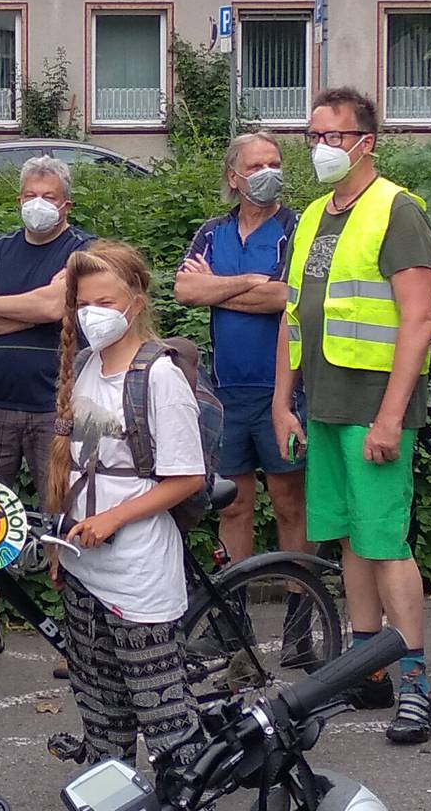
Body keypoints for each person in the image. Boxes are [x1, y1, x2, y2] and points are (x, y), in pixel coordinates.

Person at [275, 87, 431, 745]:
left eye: (334, 137)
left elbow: (419, 319)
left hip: (375, 407)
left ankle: (418, 683)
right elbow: (296, 314)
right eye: (312, 137)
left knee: (385, 544)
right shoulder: (317, 213)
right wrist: (282, 401)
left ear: (366, 142)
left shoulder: (397, 210)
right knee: (348, 538)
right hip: (324, 402)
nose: (320, 149)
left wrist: (389, 416)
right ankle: (367, 670)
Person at [49, 241, 209, 794]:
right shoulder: (89, 365)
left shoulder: (159, 376)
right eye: (83, 301)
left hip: (138, 570)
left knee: (161, 709)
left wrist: (114, 519)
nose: (92, 312)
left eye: (105, 300)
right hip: (83, 564)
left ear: (135, 303)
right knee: (100, 708)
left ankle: (188, 794)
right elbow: (86, 463)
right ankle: (110, 794)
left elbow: (187, 477)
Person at [0, 154, 98, 653]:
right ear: (18, 201)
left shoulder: (83, 252)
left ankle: (80, 637)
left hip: (55, 408)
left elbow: (56, 306)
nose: (39, 205)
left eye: (49, 197)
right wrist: (31, 309)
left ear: (66, 204)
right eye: (30, 196)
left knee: (63, 518)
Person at [175, 132, 305, 565]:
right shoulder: (213, 232)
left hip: (283, 390)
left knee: (289, 502)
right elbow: (185, 290)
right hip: (226, 391)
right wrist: (250, 281)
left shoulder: (296, 228)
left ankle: (300, 613)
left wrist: (216, 288)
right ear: (234, 177)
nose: (267, 174)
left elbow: (286, 296)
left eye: (274, 164)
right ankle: (234, 611)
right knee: (232, 503)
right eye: (255, 167)